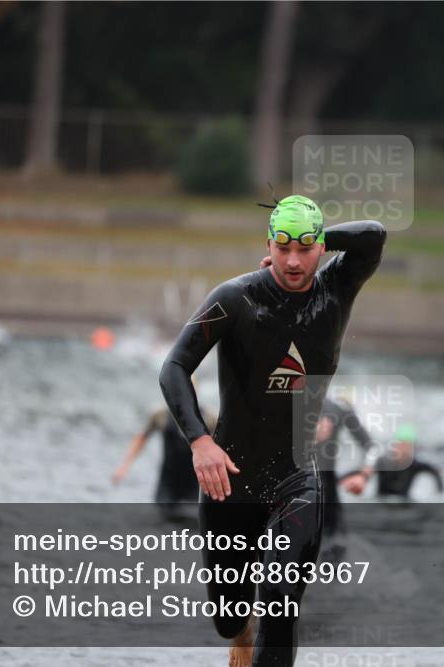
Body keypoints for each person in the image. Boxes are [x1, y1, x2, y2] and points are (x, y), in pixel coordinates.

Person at [159, 194, 386, 667]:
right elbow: (175, 367)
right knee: (228, 616)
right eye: (283, 247)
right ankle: (240, 634)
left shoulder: (337, 290)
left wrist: (318, 234)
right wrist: (200, 441)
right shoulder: (234, 299)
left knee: (281, 601)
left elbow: (373, 235)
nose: (293, 260)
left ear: (322, 248)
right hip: (231, 477)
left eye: (305, 248)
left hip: (297, 476)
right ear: (268, 245)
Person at [112, 397, 217, 521]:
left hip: (194, 485)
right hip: (167, 482)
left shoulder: (209, 418)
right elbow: (141, 438)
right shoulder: (160, 415)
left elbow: (219, 449)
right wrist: (124, 466)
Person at [313, 397, 377, 537]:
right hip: (291, 493)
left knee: (335, 543)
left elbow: (371, 448)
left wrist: (363, 476)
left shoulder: (337, 408)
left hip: (326, 491)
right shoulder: (279, 405)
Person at [341, 424, 444, 500]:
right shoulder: (383, 462)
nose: (404, 450)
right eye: (402, 445)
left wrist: (440, 493)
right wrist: (339, 480)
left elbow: (434, 472)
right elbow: (363, 472)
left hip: (404, 503)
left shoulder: (415, 465)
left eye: (408, 446)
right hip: (381, 502)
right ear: (395, 446)